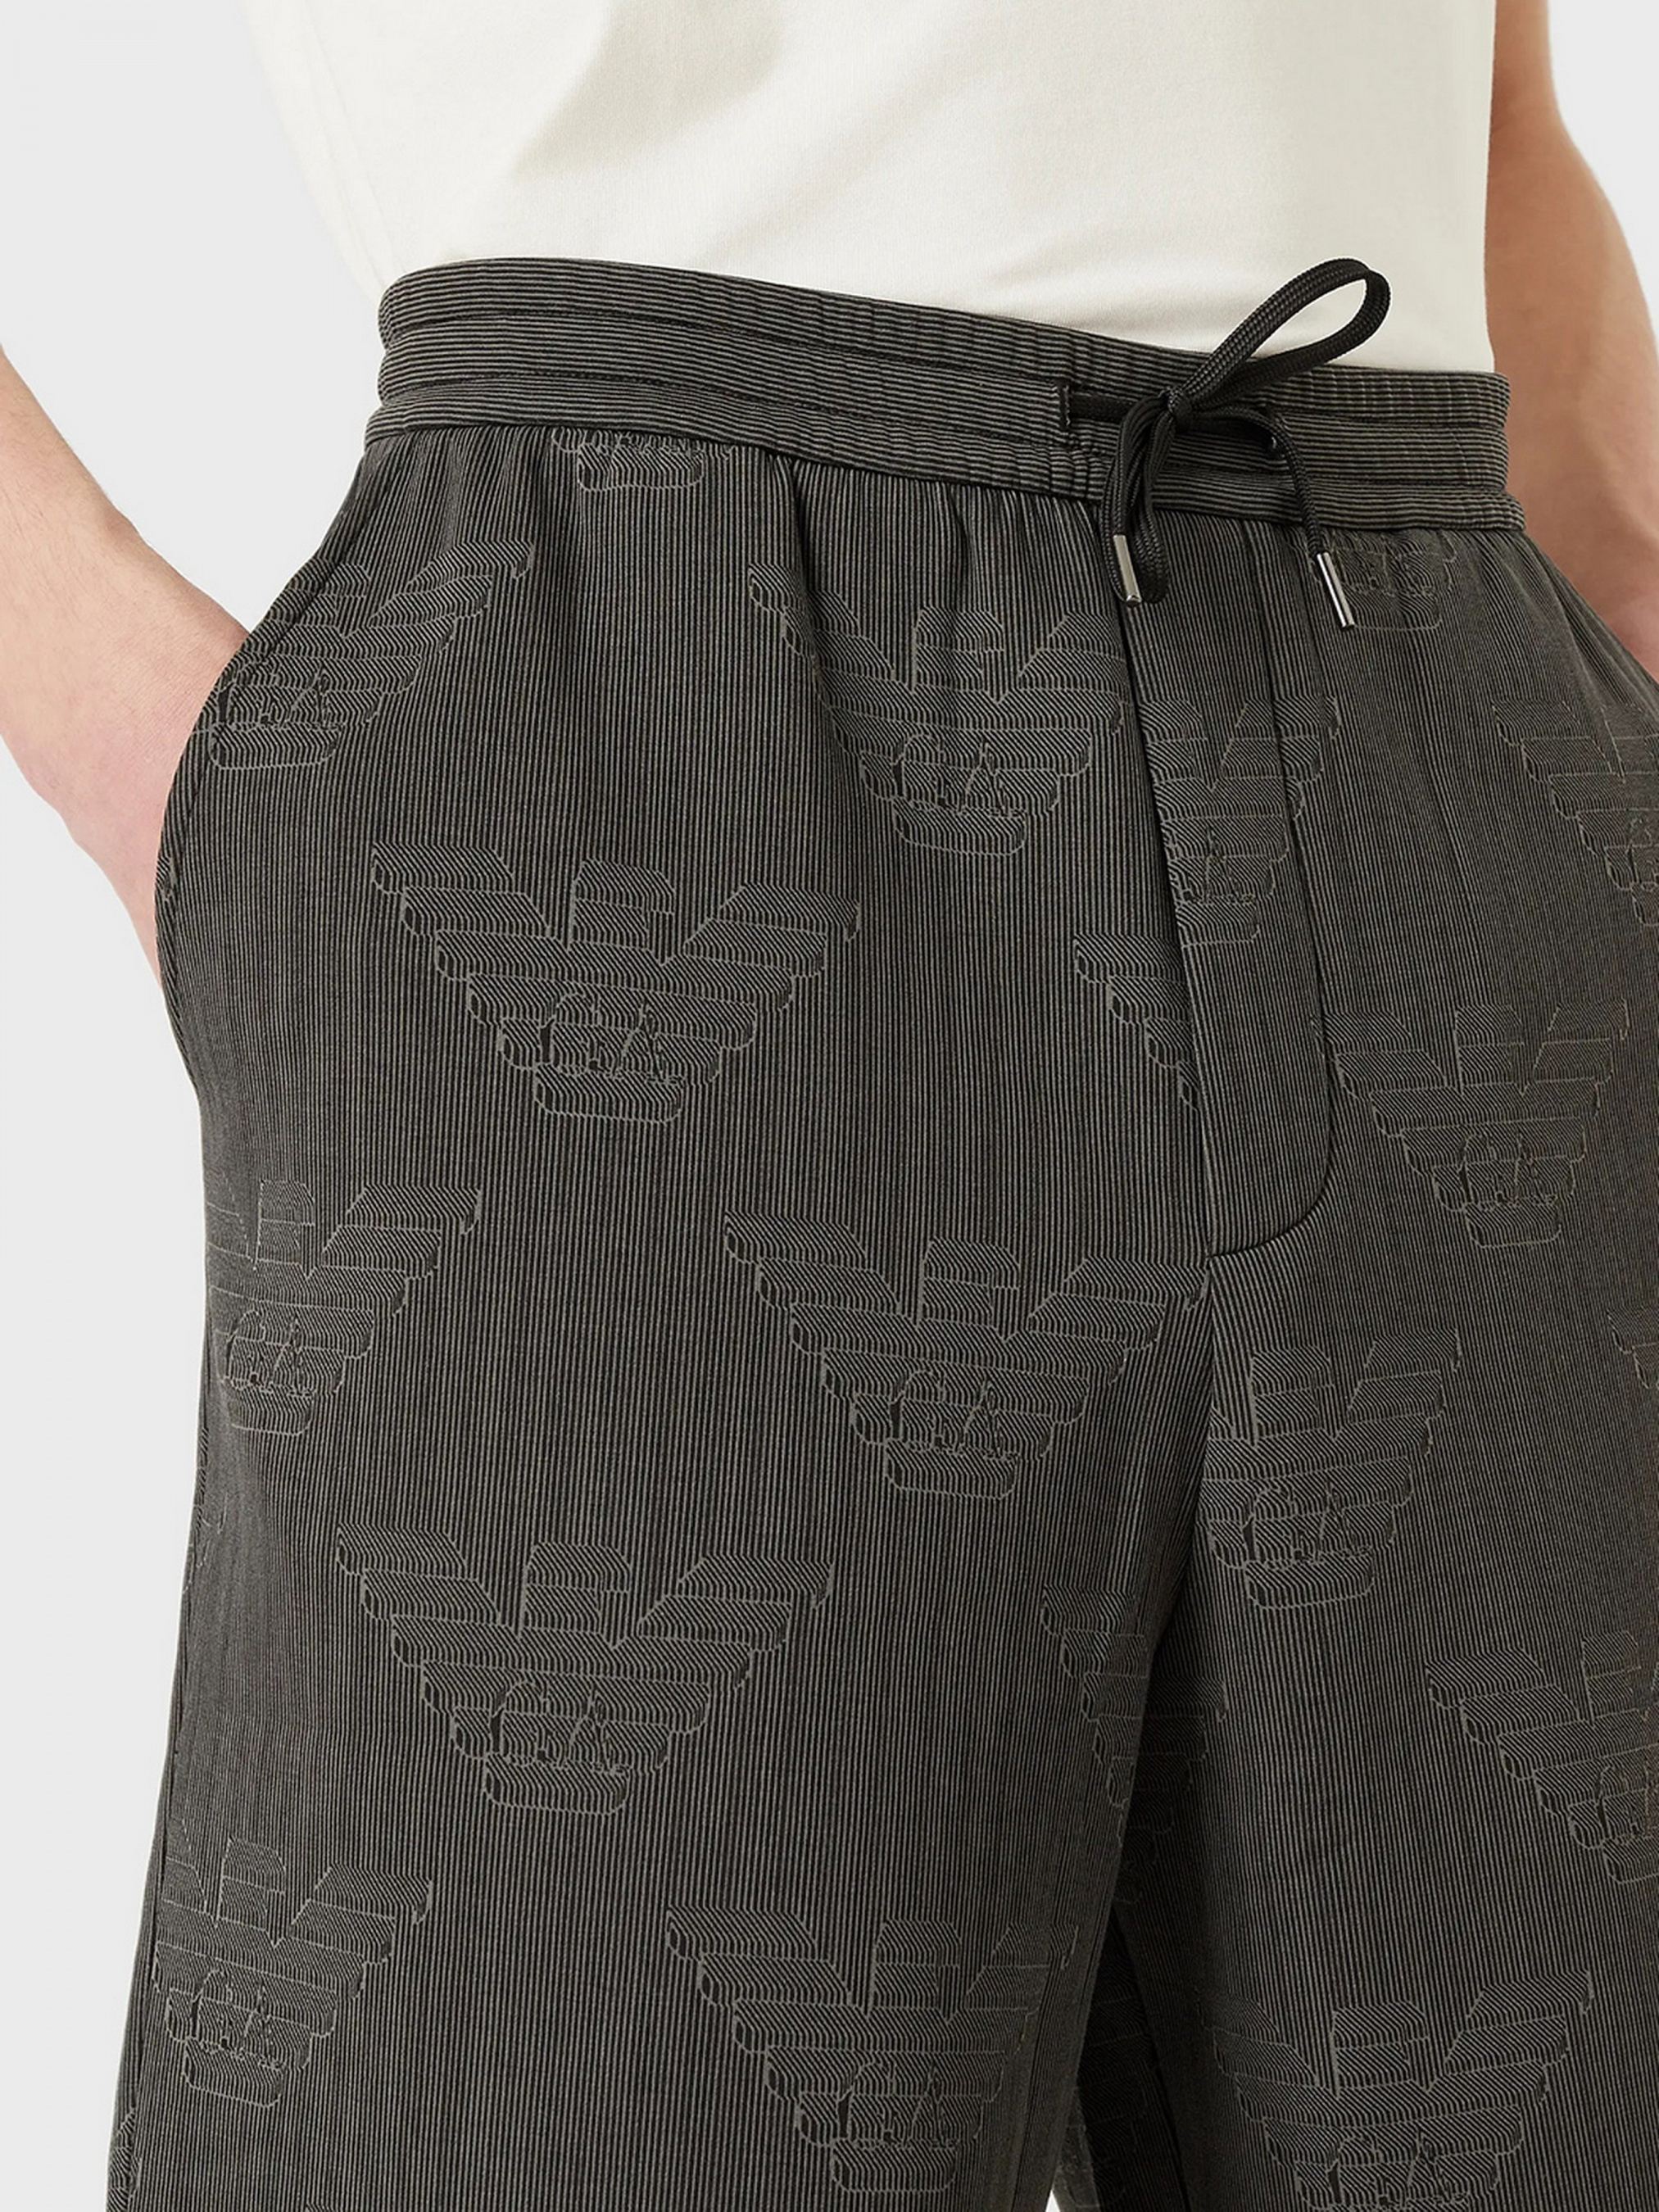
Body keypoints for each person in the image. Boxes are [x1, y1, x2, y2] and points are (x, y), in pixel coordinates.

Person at [3, 2, 1656, 2204]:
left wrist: (1624, 621)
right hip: (634, 732)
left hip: (1448, 730)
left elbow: (1495, 82)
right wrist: (158, 757)